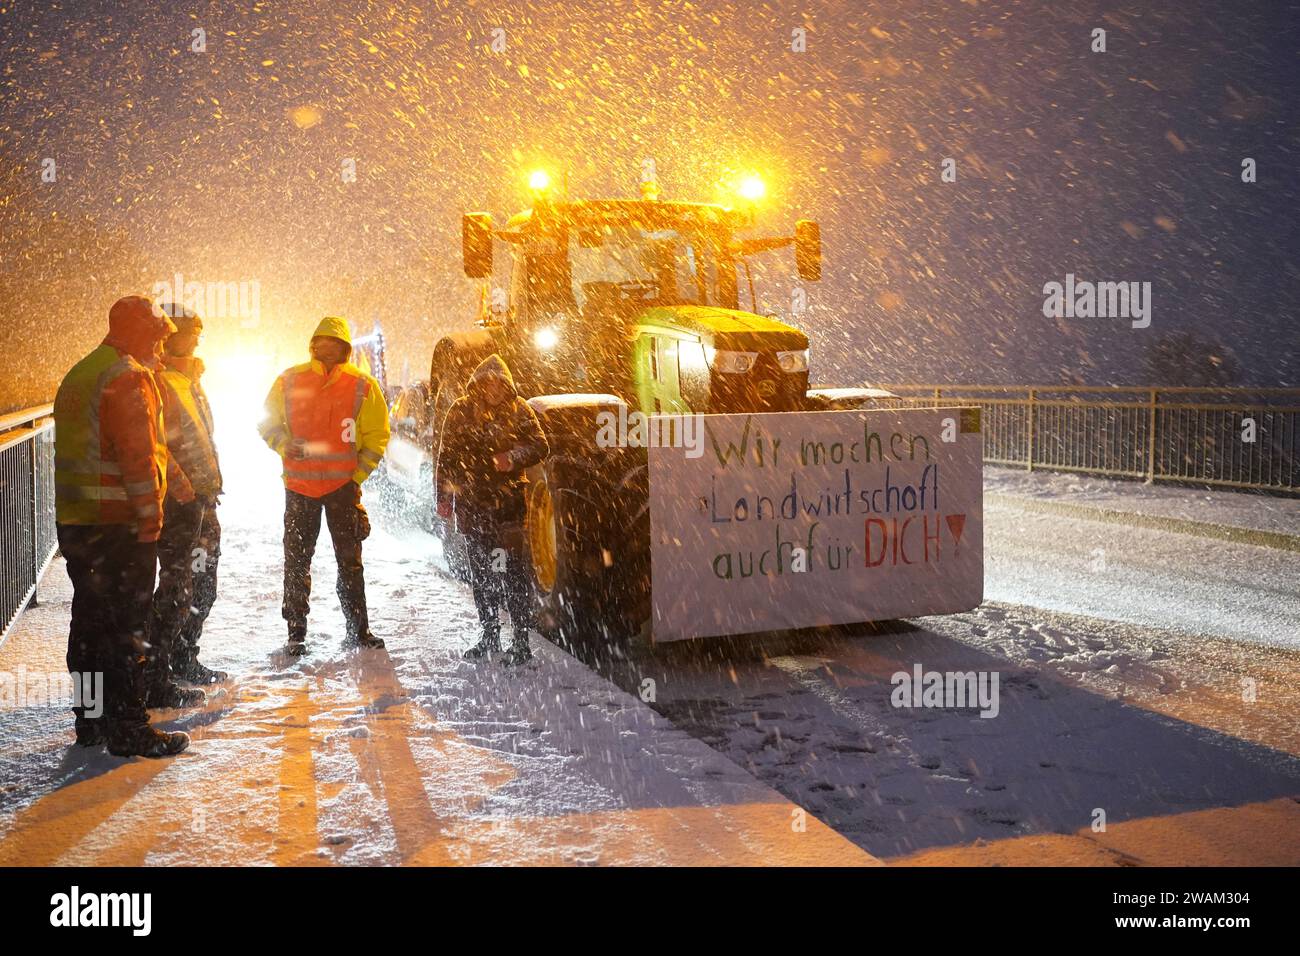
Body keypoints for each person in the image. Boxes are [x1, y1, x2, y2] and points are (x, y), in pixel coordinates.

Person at [53, 295, 190, 758]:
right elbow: (136, 456)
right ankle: (129, 727)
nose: (160, 342)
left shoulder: (82, 372)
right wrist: (151, 519)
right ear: (137, 331)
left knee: (89, 624)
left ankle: (90, 722)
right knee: (129, 626)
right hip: (119, 525)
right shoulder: (127, 376)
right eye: (155, 333)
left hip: (77, 521)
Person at [258, 317, 390, 656]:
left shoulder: (362, 385)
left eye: (335, 343)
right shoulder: (289, 379)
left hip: (342, 490)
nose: (328, 348)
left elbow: (377, 434)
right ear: (314, 345)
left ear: (344, 348)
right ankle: (296, 631)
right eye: (323, 342)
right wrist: (282, 443)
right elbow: (266, 421)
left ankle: (357, 629)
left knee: (349, 561)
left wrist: (357, 475)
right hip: (301, 487)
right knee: (298, 560)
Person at [435, 354, 549, 665]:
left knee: (514, 574)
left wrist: (513, 456)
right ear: (478, 384)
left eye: (500, 384)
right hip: (472, 504)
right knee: (481, 574)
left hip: (508, 505)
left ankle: (521, 642)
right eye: (488, 383)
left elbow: (540, 444)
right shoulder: (460, 411)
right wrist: (443, 497)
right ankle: (489, 636)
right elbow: (446, 456)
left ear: (507, 385)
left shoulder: (520, 409)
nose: (493, 390)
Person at [147, 303, 227, 705]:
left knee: (203, 584)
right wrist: (183, 488)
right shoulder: (159, 379)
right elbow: (158, 445)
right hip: (181, 506)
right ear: (172, 336)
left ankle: (183, 657)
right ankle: (155, 677)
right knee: (177, 589)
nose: (197, 337)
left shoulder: (188, 379)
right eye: (190, 332)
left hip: (202, 503)